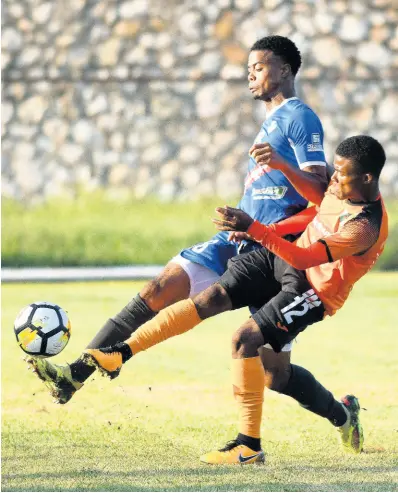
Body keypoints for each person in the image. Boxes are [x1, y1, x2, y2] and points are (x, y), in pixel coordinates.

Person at [27, 35, 328, 404]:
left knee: (273, 374)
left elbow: (320, 191)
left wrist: (273, 188)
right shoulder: (271, 121)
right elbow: (269, 190)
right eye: (248, 69)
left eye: (259, 68)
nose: (251, 76)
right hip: (235, 242)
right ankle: (75, 374)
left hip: (273, 254)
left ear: (284, 70)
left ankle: (342, 413)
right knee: (158, 288)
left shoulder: (299, 117)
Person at [83, 135, 388, 464]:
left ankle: (251, 446)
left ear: (366, 178)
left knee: (248, 345)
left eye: (341, 174)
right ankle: (120, 354)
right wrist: (271, 225)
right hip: (284, 257)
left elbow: (306, 258)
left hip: (313, 289)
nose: (333, 178)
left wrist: (256, 229)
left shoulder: (365, 228)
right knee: (212, 298)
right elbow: (317, 215)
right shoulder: (343, 184)